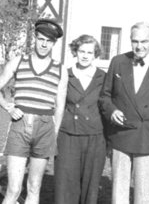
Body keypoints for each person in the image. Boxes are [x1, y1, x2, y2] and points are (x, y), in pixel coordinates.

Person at [99, 21, 149, 204]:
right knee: (119, 189)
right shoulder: (118, 62)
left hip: (148, 134)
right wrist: (111, 111)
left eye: (144, 41)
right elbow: (105, 95)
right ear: (130, 40)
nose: (139, 46)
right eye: (135, 41)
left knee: (143, 190)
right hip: (121, 134)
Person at [0, 19, 68, 204]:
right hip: (20, 126)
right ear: (35, 38)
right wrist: (9, 107)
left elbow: (60, 106)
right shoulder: (19, 61)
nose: (43, 44)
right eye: (40, 39)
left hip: (45, 129)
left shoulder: (60, 70)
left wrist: (54, 134)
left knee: (34, 187)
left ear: (54, 43)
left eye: (48, 41)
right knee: (14, 189)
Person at [54, 35, 106, 204]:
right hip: (68, 135)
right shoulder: (65, 74)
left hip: (95, 137)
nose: (85, 55)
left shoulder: (103, 77)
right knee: (66, 184)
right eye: (81, 51)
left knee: (90, 186)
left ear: (95, 54)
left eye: (89, 52)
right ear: (75, 52)